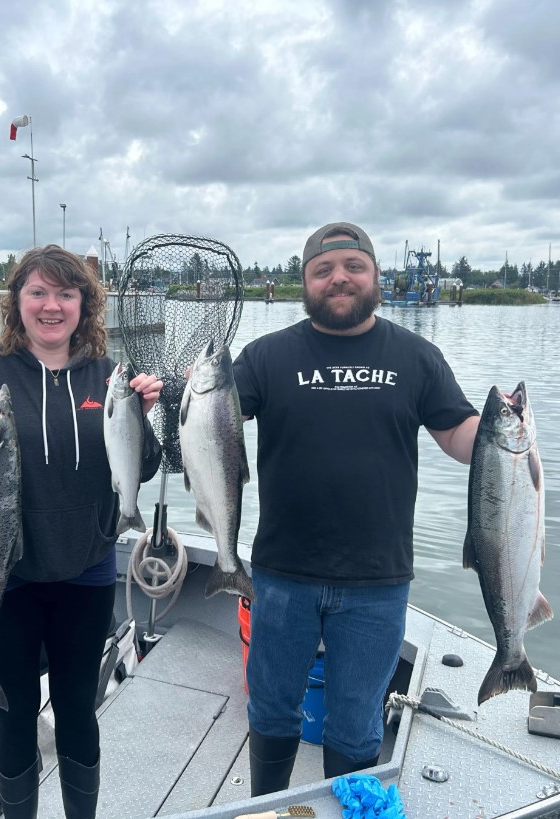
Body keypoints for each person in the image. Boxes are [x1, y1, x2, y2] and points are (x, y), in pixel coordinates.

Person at [232, 222, 480, 796]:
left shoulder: (416, 356)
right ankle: (267, 808)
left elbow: (458, 436)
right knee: (271, 710)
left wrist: (508, 441)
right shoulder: (267, 355)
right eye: (323, 270)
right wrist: (179, 391)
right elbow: (215, 418)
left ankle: (347, 810)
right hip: (282, 572)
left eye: (352, 267)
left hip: (377, 579)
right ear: (305, 282)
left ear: (374, 276)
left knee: (355, 722)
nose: (339, 277)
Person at [0, 245, 163, 819]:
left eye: (66, 293)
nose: (51, 305)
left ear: (85, 304)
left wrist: (143, 417)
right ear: (17, 302)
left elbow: (144, 466)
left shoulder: (108, 375)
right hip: (2, 579)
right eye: (37, 292)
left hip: (85, 570)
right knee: (13, 714)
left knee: (79, 711)